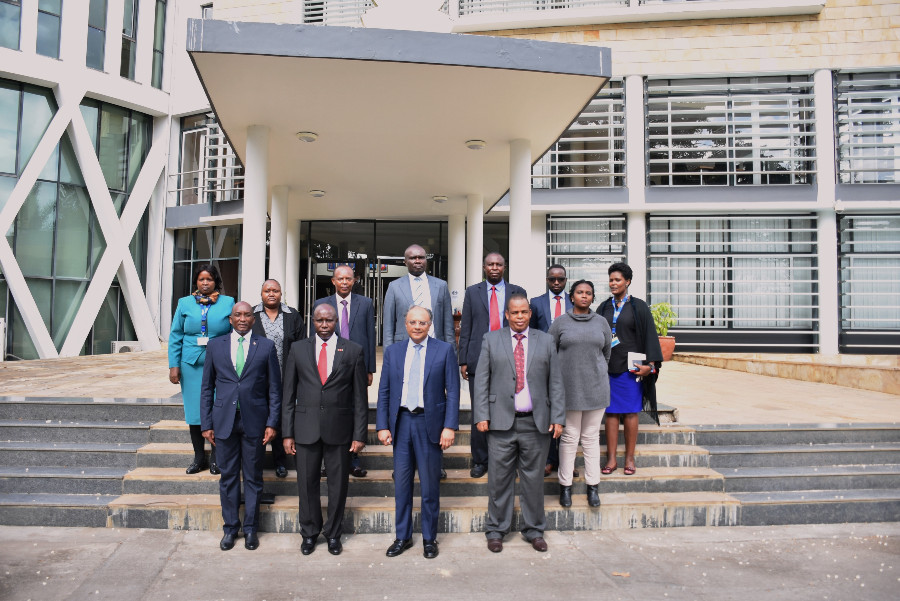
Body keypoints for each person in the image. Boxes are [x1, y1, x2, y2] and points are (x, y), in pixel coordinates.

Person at [473, 294, 564, 553]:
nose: (520, 317)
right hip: (500, 423)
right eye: (515, 313)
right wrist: (481, 415)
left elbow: (555, 382)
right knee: (499, 480)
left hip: (536, 424)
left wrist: (558, 418)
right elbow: (481, 380)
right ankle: (496, 530)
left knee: (533, 481)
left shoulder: (545, 340)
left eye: (524, 312)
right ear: (507, 314)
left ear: (530, 313)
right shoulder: (491, 339)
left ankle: (534, 530)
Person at [282, 304, 368, 556]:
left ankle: (333, 534)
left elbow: (360, 398)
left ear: (336, 322)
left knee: (338, 486)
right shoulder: (298, 349)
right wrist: (287, 433)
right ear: (312, 321)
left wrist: (359, 434)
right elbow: (288, 395)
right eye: (319, 320)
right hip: (305, 429)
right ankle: (309, 533)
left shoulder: (353, 351)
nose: (323, 325)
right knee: (306, 485)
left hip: (339, 430)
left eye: (329, 320)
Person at [376, 306, 459, 559]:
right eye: (412, 322)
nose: (417, 326)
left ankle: (429, 538)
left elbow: (453, 391)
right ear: (405, 323)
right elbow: (384, 391)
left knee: (430, 487)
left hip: (429, 424)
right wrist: (382, 426)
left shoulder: (444, 350)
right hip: (401, 423)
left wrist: (449, 426)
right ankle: (403, 537)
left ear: (430, 324)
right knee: (401, 485)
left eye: (422, 322)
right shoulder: (393, 351)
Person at [199, 302, 281, 551]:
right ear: (230, 319)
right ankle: (230, 528)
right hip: (223, 422)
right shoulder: (216, 345)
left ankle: (251, 529)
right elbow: (206, 388)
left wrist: (272, 422)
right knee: (228, 477)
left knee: (254, 478)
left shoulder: (266, 346)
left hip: (254, 422)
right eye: (238, 315)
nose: (243, 318)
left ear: (253, 320)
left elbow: (274, 389)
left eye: (247, 315)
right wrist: (206, 423)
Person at [458, 252, 526, 478]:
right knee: (480, 409)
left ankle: (508, 460)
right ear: (484, 267)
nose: (494, 267)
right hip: (479, 358)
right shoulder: (472, 292)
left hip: (510, 357)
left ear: (504, 267)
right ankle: (480, 460)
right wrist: (464, 359)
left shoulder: (518, 292)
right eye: (490, 264)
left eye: (498, 264)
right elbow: (466, 327)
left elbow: (524, 326)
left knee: (508, 409)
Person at [549, 279, 611, 509]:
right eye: (579, 292)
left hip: (596, 389)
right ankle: (565, 486)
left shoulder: (601, 322)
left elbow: (606, 354)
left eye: (588, 293)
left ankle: (592, 486)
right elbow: (549, 351)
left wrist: (596, 372)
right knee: (569, 438)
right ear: (571, 296)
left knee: (591, 438)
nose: (584, 296)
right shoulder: (560, 322)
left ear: (592, 298)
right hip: (568, 390)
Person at [596, 263, 663, 476]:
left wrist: (650, 366)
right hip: (607, 367)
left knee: (631, 412)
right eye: (611, 280)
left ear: (628, 282)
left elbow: (650, 336)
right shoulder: (604, 307)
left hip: (631, 368)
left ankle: (630, 458)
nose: (613, 283)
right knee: (611, 413)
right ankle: (612, 459)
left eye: (617, 280)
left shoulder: (639, 306)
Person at [168, 264, 235, 475]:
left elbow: (235, 334)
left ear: (216, 282)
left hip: (220, 364)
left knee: (218, 409)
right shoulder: (184, 303)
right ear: (196, 282)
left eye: (209, 279)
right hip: (191, 364)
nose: (205, 283)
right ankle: (199, 458)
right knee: (195, 412)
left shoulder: (228, 303)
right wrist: (174, 365)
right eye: (201, 279)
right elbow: (175, 335)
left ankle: (216, 458)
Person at [314, 264, 376, 478]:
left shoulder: (366, 304)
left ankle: (354, 460)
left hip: (356, 365)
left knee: (356, 409)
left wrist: (370, 369)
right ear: (333, 281)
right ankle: (327, 461)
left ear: (354, 280)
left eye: (348, 279)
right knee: (329, 410)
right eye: (340, 279)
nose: (344, 282)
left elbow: (370, 336)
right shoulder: (321, 304)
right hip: (329, 365)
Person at [251, 279, 306, 480]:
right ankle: (254, 462)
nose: (271, 294)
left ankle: (280, 462)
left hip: (285, 378)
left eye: (275, 290)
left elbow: (302, 347)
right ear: (261, 293)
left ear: (281, 294)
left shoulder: (292, 316)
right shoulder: (251, 315)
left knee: (281, 420)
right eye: (267, 290)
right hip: (257, 379)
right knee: (258, 420)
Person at [529, 264, 573, 476]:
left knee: (568, 414)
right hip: (543, 364)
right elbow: (532, 333)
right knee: (547, 412)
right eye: (552, 279)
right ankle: (549, 458)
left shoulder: (575, 301)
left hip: (570, 363)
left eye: (560, 279)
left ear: (566, 280)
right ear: (547, 280)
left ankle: (567, 461)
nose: (556, 283)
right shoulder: (536, 303)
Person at [382, 244, 455, 347]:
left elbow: (448, 326)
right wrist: (388, 357)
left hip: (435, 346)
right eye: (412, 258)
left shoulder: (441, 286)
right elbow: (388, 327)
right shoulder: (394, 287)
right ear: (405, 262)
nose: (417, 261)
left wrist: (452, 355)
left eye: (421, 257)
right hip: (404, 347)